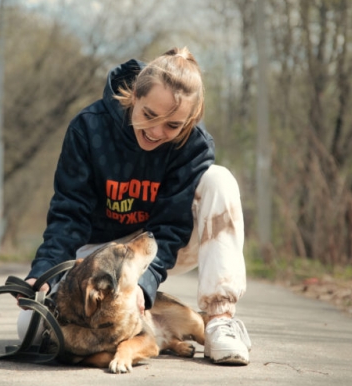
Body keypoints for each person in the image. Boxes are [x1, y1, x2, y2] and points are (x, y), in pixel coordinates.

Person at [23, 47, 251, 365]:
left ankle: (219, 320)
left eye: (173, 125)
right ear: (134, 96)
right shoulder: (88, 128)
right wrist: (46, 270)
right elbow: (69, 211)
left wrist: (143, 285)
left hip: (157, 246)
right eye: (149, 115)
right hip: (98, 252)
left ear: (190, 120)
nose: (157, 132)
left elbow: (170, 227)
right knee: (29, 330)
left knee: (219, 179)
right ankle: (151, 329)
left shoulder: (195, 145)